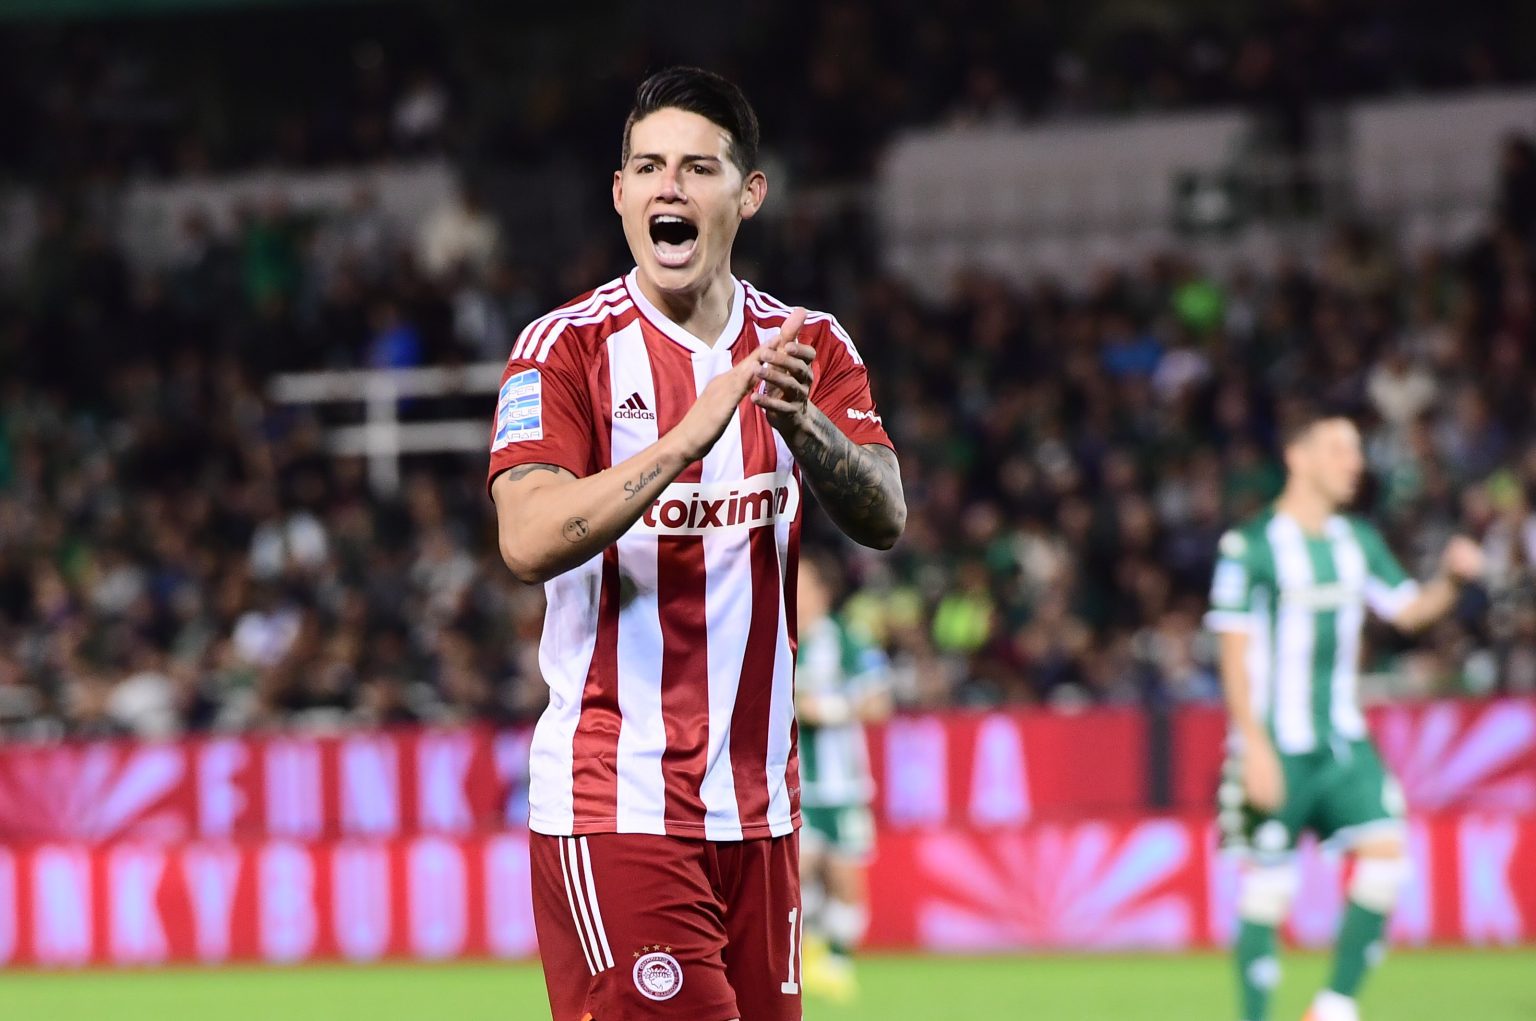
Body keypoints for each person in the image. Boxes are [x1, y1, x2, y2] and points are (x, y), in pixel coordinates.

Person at [487, 67, 905, 1021]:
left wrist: (805, 427)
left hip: (762, 813)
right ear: (620, 194)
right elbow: (528, 537)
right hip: (616, 801)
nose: (668, 186)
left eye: (696, 168)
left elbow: (886, 513)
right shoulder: (565, 348)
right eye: (648, 167)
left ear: (747, 194)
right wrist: (686, 437)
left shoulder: (808, 344)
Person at [1205, 406, 1483, 1021]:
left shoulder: (1357, 541)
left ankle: (1333, 1007)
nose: (1355, 464)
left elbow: (1409, 611)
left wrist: (1450, 578)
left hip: (1342, 741)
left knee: (1387, 858)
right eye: (1339, 450)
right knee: (1268, 887)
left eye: (1356, 451)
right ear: (1298, 457)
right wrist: (1252, 745)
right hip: (1275, 742)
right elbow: (1233, 654)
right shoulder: (1250, 547)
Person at [793, 553, 892, 1003]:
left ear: (822, 592)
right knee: (797, 871)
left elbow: (879, 704)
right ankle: (808, 953)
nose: (795, 594)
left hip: (843, 785)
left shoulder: (846, 639)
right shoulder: (769, 634)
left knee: (844, 875)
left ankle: (837, 962)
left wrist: (827, 709)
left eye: (803, 585)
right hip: (788, 785)